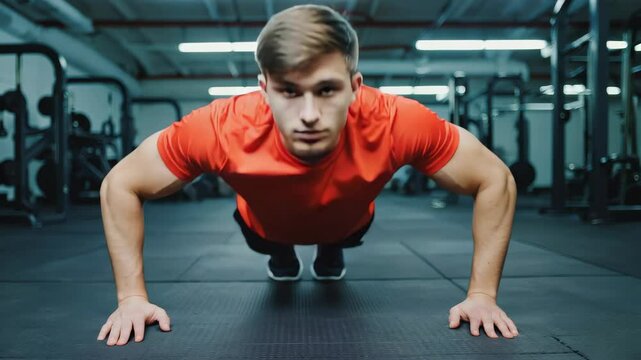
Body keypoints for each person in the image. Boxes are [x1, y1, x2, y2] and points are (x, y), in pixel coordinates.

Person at [97, 4, 519, 347]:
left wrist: (482, 295)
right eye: (290, 91)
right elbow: (121, 183)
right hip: (265, 224)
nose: (310, 115)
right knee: (274, 245)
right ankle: (282, 252)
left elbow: (494, 179)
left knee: (338, 233)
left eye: (327, 90)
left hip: (347, 221)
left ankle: (328, 248)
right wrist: (132, 299)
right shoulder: (219, 128)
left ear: (355, 85)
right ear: (263, 88)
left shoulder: (395, 121)